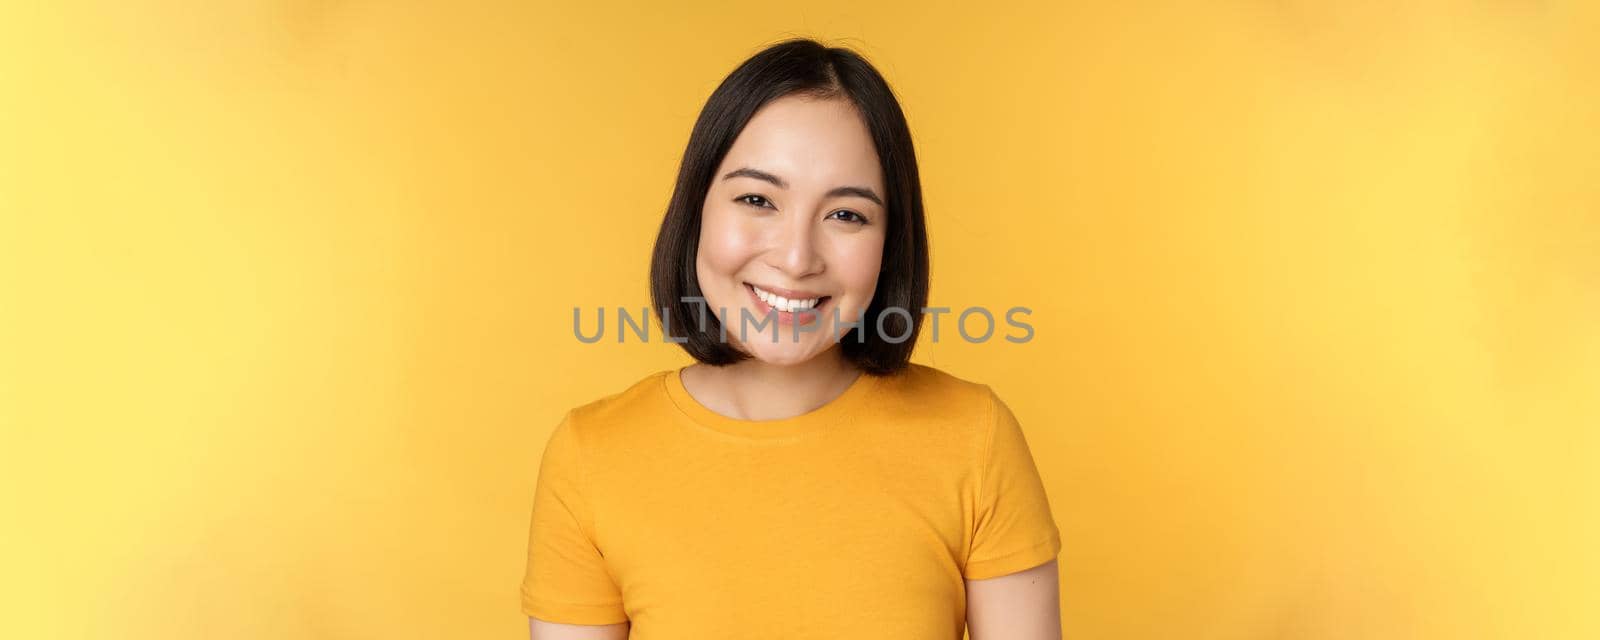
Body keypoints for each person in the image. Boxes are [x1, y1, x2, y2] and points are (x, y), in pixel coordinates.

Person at [522, 38, 1062, 640]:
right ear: (696, 208)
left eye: (846, 214)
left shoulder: (975, 439)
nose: (798, 258)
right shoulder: (591, 457)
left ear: (890, 243)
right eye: (757, 199)